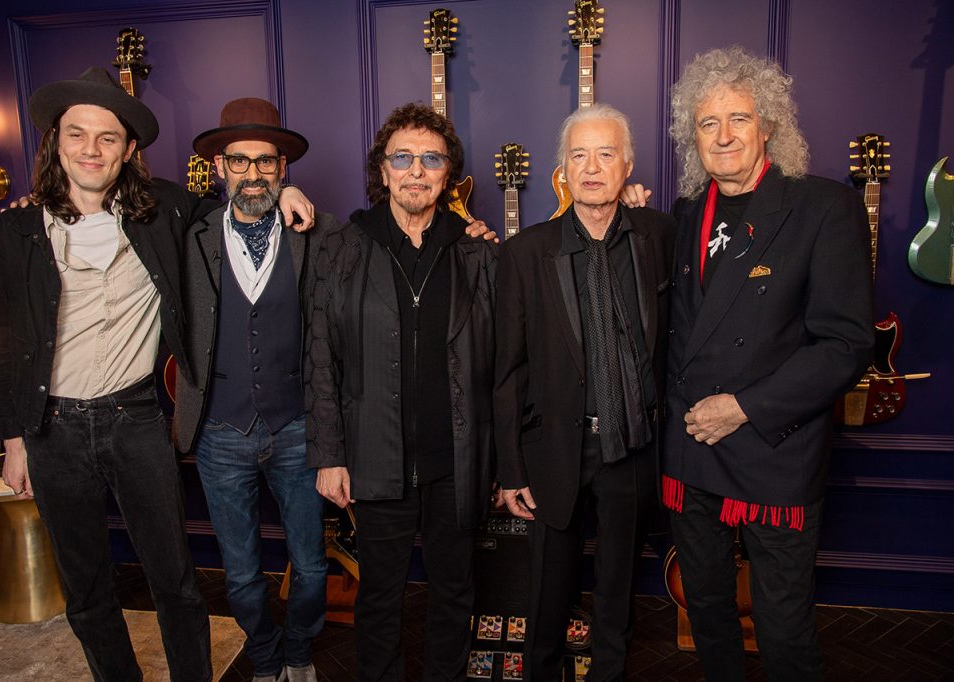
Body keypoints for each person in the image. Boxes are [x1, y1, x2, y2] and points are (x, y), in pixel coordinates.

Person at [0, 68, 313, 682]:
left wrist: (288, 194)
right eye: (76, 135)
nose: (90, 149)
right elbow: (2, 344)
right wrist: (13, 439)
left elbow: (240, 201)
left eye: (107, 138)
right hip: (52, 429)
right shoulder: (16, 229)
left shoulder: (162, 209)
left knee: (177, 582)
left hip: (136, 420)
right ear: (56, 142)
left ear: (130, 148)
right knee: (85, 588)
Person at [658, 46, 874, 680]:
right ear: (690, 134)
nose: (723, 137)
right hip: (690, 448)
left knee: (782, 625)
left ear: (769, 124)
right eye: (706, 123)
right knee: (707, 611)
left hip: (770, 448)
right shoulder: (682, 214)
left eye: (739, 120)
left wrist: (743, 408)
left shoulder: (824, 208)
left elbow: (845, 345)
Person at [307, 102, 497, 681]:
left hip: (456, 463)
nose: (417, 170)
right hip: (373, 459)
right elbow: (320, 357)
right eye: (403, 158)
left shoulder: (477, 251)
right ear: (383, 170)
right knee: (380, 599)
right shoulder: (343, 248)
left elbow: (505, 364)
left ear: (448, 174)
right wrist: (329, 455)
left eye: (431, 159)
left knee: (453, 595)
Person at [495, 103, 675, 681]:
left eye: (605, 154)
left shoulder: (661, 235)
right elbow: (508, 370)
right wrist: (511, 468)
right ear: (562, 171)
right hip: (553, 453)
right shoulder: (524, 253)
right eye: (579, 155)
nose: (592, 168)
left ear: (627, 166)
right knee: (547, 596)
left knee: (617, 595)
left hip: (635, 449)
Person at [172, 97, 341, 682]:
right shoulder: (187, 235)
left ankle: (299, 650)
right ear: (219, 168)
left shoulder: (316, 235)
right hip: (220, 431)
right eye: (239, 162)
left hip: (297, 427)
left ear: (283, 168)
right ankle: (266, 657)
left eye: (265, 162)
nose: (252, 174)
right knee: (241, 576)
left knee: (312, 567)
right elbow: (118, 194)